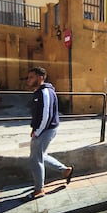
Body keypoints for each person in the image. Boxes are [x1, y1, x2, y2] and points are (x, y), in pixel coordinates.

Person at [26, 67, 73, 200]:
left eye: (31, 77)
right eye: (28, 77)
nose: (28, 80)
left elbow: (46, 115)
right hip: (43, 129)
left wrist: (38, 131)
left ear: (40, 77)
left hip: (45, 130)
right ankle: (64, 170)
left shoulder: (45, 92)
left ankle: (39, 190)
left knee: (35, 159)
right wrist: (34, 129)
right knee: (41, 155)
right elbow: (38, 114)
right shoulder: (40, 91)